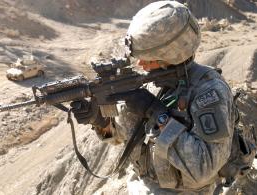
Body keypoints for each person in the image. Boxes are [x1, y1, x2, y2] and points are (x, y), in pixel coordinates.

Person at [70, 1, 246, 194]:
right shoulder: (150, 85)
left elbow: (203, 168)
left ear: (170, 56)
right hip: (141, 185)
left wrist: (158, 114)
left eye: (148, 59)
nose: (140, 64)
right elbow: (118, 139)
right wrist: (99, 122)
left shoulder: (209, 92)